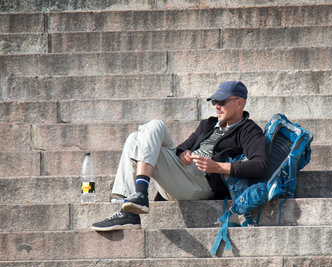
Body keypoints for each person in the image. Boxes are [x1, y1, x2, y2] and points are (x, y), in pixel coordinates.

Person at [92, 81, 269, 231]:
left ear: (240, 103)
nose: (216, 106)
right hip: (181, 175)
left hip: (201, 183)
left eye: (222, 101)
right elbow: (182, 147)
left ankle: (138, 197)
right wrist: (183, 153)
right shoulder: (208, 124)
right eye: (215, 101)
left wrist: (218, 167)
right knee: (135, 138)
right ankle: (131, 207)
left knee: (155, 126)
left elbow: (261, 165)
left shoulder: (249, 130)